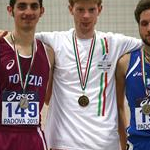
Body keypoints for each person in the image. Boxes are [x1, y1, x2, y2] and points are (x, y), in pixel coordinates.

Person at [34, 0, 143, 150]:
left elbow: (146, 42)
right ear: (71, 9)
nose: (86, 16)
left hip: (104, 143)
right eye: (80, 10)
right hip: (63, 143)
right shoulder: (55, 40)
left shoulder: (114, 42)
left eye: (91, 10)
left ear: (100, 9)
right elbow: (17, 38)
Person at [0, 0, 54, 150]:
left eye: (34, 6)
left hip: (33, 137)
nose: (28, 12)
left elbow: (49, 98)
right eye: (22, 6)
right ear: (10, 10)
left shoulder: (48, 53)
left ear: (41, 11)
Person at [116, 0, 150, 150]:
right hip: (138, 144)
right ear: (138, 26)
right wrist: (124, 146)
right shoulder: (125, 63)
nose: (149, 28)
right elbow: (118, 108)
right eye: (144, 23)